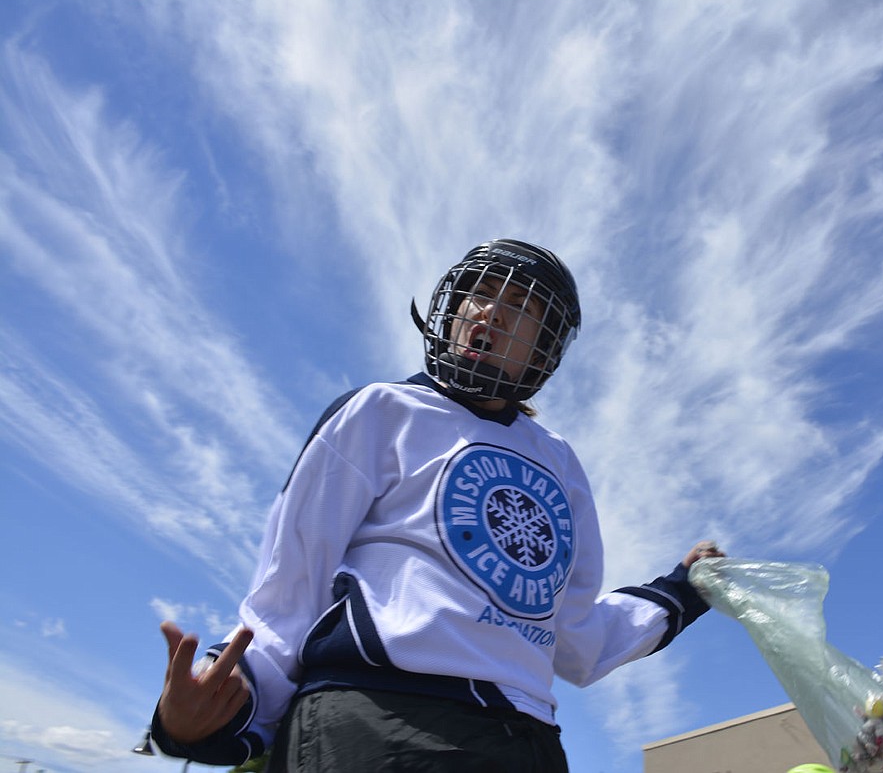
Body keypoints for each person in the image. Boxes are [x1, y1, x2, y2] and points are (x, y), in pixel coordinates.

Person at [149, 239, 725, 772]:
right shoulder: (381, 411)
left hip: (529, 742)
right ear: (452, 313)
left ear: (544, 350)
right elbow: (288, 595)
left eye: (519, 304)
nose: (492, 311)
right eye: (480, 292)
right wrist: (213, 711)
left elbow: (576, 640)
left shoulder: (561, 464)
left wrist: (681, 590)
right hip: (379, 722)